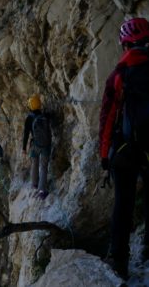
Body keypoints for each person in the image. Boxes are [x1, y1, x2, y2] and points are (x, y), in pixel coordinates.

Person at [99, 17, 149, 280]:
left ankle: (118, 260)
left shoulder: (119, 74)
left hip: (127, 149)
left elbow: (108, 117)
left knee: (123, 205)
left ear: (125, 44)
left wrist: (104, 155)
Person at [23, 94, 51, 200]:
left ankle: (35, 183)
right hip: (46, 145)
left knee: (35, 163)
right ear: (39, 104)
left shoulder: (29, 118)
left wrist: (23, 148)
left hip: (35, 145)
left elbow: (26, 134)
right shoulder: (45, 116)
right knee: (44, 167)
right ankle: (42, 191)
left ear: (30, 106)